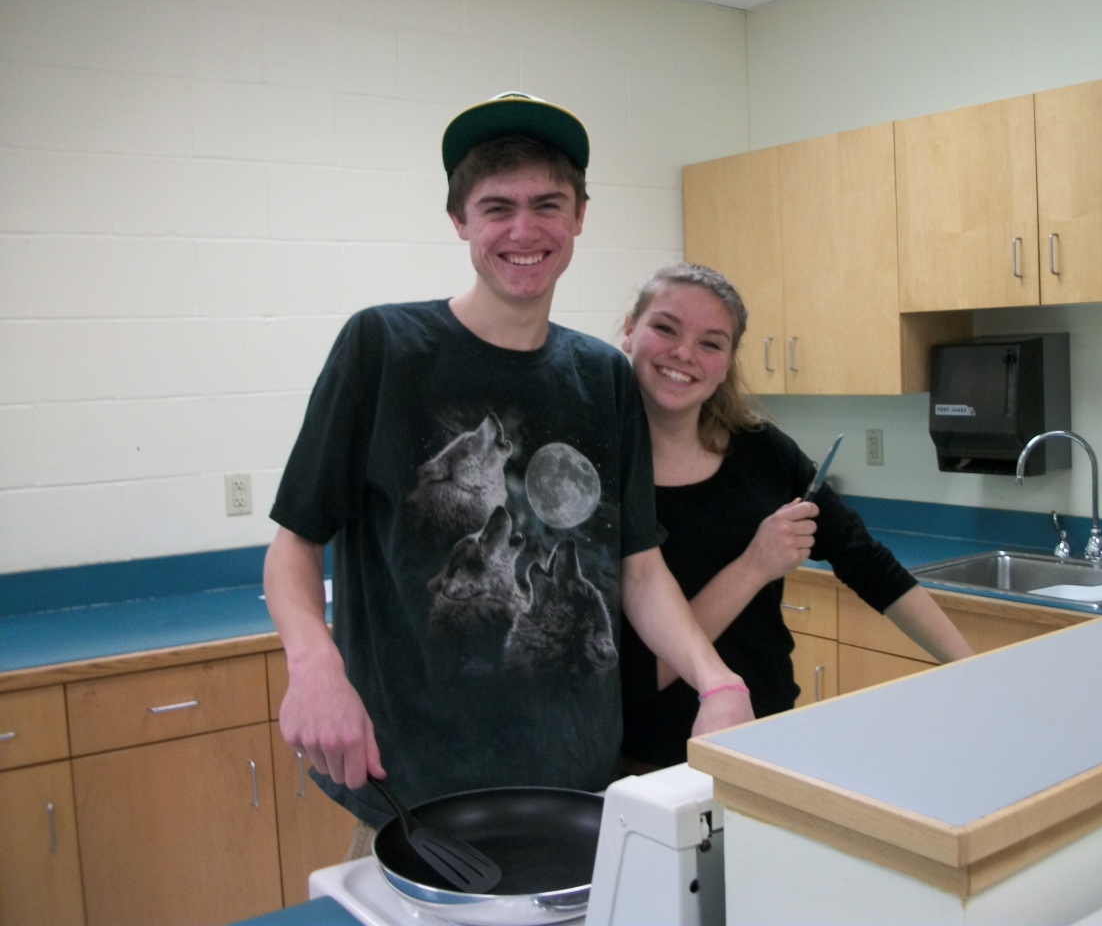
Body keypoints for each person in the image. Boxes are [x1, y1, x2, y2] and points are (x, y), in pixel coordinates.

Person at [262, 94, 753, 855]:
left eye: (547, 205)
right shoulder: (383, 349)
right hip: (415, 794)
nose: (524, 231)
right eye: (498, 207)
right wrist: (313, 663)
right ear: (460, 220)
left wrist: (716, 679)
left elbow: (638, 566)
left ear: (579, 217)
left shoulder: (603, 376)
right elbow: (294, 544)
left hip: (581, 784)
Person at [618, 263, 975, 769]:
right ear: (629, 330)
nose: (684, 354)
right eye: (666, 328)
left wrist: (971, 670)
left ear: (728, 362)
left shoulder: (762, 451)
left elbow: (866, 562)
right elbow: (634, 675)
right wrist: (753, 567)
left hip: (769, 736)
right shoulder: (598, 470)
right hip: (649, 760)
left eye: (711, 343)